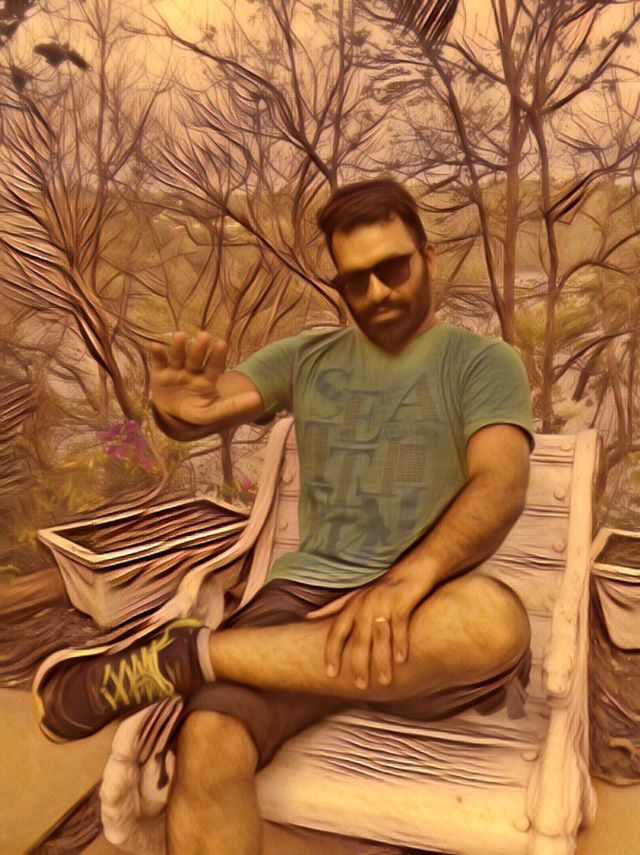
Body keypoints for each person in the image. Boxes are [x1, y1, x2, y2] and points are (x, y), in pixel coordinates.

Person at [34, 178, 535, 855]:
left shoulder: (482, 362)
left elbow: (500, 482)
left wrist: (405, 580)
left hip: (420, 614)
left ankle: (189, 655)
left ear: (429, 257)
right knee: (208, 740)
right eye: (356, 280)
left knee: (492, 622)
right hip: (297, 608)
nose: (377, 291)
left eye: (393, 268)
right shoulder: (307, 357)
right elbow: (210, 405)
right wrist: (177, 409)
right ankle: (211, 658)